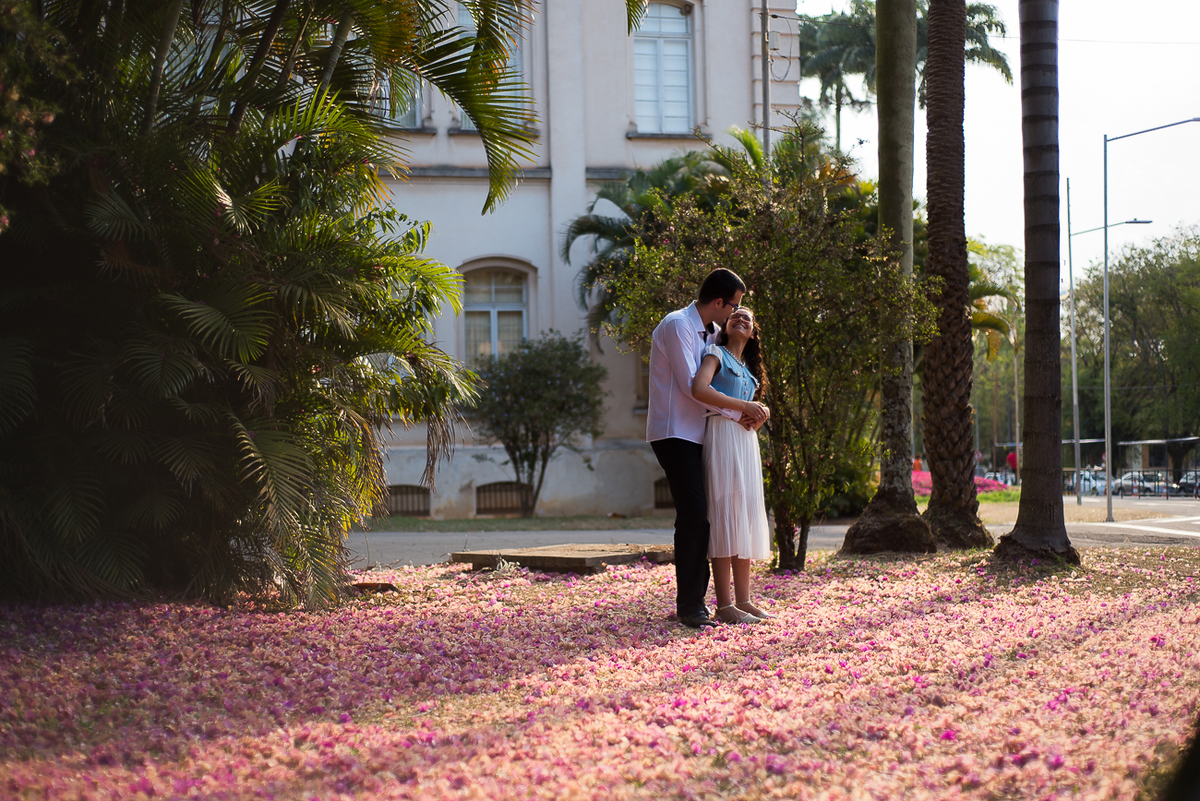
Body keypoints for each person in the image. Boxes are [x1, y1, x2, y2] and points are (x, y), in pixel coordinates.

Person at [647, 269, 768, 629]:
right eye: (735, 305)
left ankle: (712, 602)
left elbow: (735, 375)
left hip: (702, 434)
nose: (736, 313)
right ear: (719, 302)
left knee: (706, 516)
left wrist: (749, 412)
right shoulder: (677, 326)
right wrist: (740, 410)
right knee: (695, 514)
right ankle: (691, 605)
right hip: (673, 433)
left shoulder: (713, 332)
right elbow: (691, 387)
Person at [691, 308, 772, 624]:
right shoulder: (715, 354)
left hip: (745, 445)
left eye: (748, 318)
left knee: (743, 515)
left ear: (753, 332)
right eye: (735, 315)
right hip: (722, 440)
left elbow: (747, 417)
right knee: (724, 513)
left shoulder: (750, 372)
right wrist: (746, 407)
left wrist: (758, 417)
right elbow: (700, 389)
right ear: (724, 326)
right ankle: (724, 605)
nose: (741, 319)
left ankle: (744, 600)